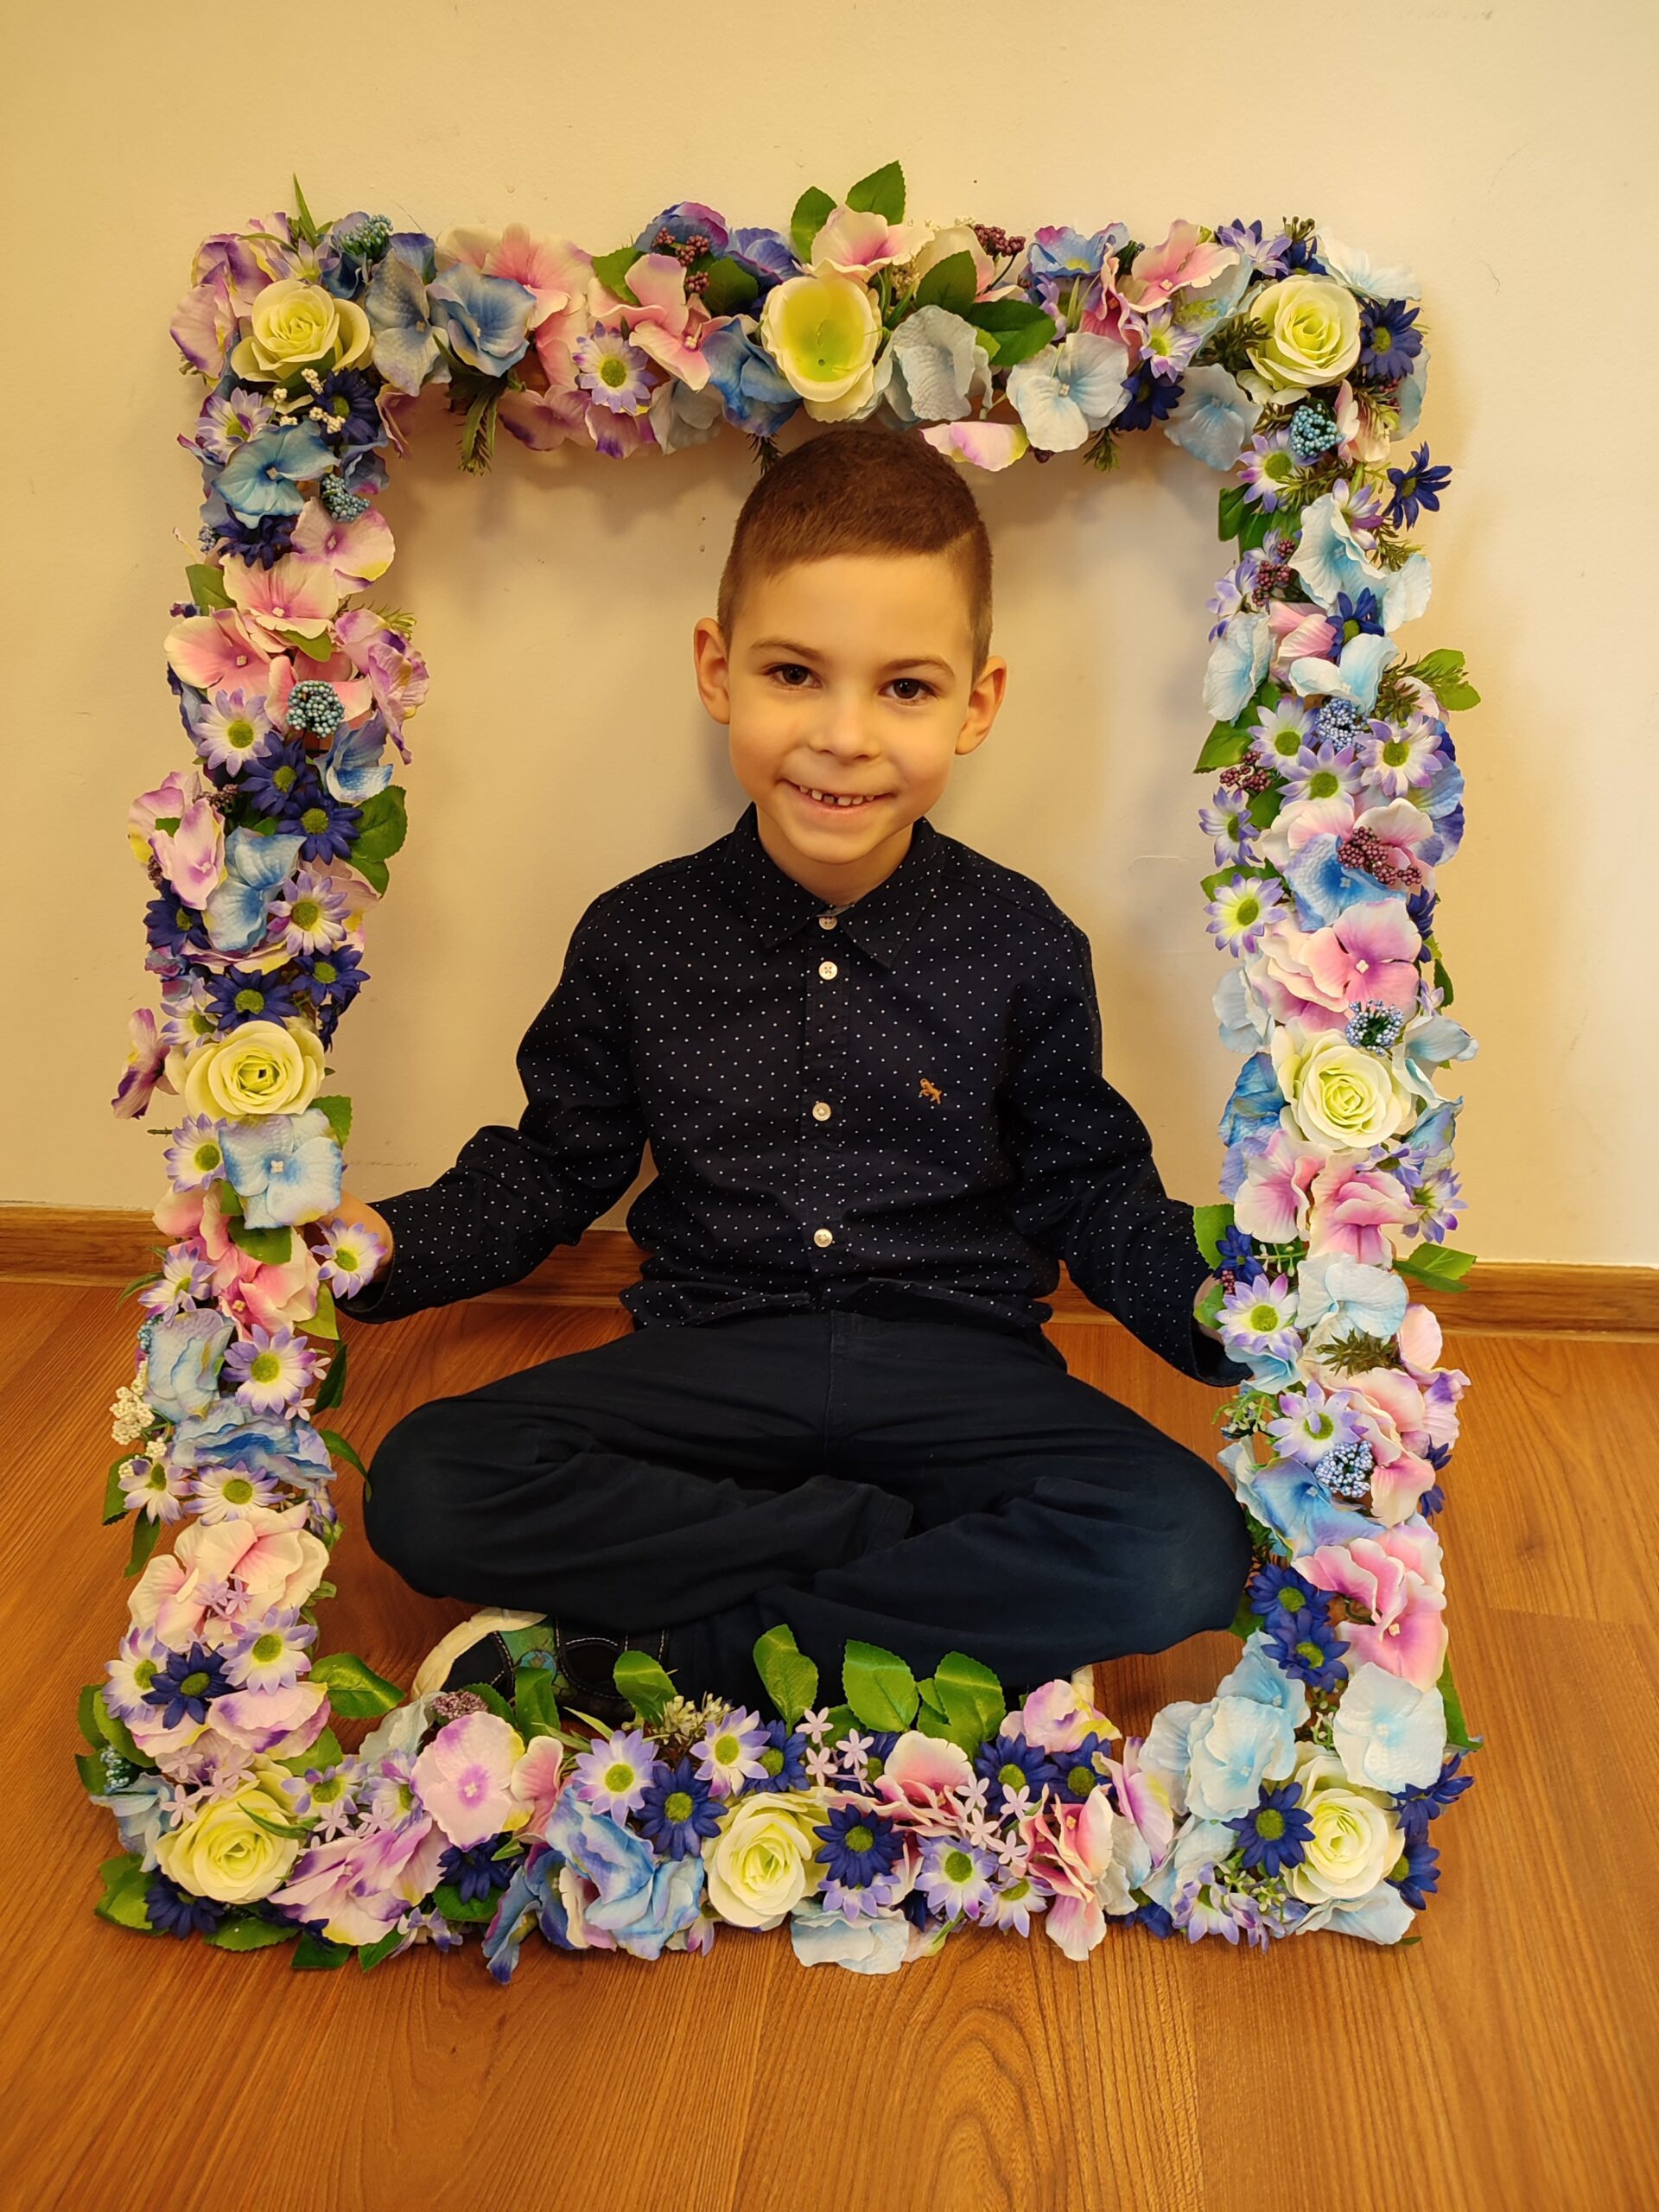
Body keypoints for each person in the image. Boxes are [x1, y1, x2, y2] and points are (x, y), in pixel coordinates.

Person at [327, 422, 1255, 1728]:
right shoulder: (640, 934)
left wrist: (1231, 1301)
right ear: (720, 671)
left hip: (956, 1369)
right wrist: (383, 1244)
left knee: (1181, 1544)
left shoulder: (1023, 940)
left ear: (978, 703)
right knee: (428, 1484)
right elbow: (554, 1165)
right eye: (794, 674)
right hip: (713, 1358)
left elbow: (1091, 1189)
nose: (843, 735)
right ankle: (905, 1577)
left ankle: (664, 1654)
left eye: (906, 688)